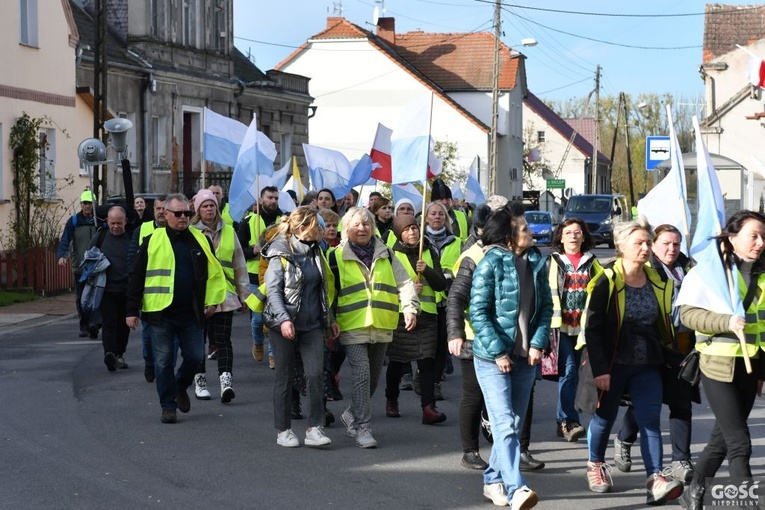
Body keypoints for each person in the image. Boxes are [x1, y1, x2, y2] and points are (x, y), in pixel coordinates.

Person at [581, 218, 683, 505]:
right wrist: (600, 370)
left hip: (648, 362)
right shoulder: (606, 280)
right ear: (621, 246)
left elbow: (664, 319)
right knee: (604, 418)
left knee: (650, 420)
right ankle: (595, 465)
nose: (646, 248)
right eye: (639, 243)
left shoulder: (658, 279)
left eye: (648, 242)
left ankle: (655, 478)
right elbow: (593, 329)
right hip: (613, 362)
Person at [678, 210, 765, 510]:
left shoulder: (762, 273)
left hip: (750, 366)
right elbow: (687, 314)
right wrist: (725, 321)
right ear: (732, 237)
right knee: (740, 442)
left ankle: (694, 488)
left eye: (763, 236)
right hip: (717, 365)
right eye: (753, 235)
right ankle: (747, 503)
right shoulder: (708, 273)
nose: (760, 242)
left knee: (722, 438)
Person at [469, 202, 551, 509]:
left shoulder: (536, 263)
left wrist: (537, 344)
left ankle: (493, 480)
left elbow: (545, 309)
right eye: (524, 229)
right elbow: (478, 312)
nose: (530, 232)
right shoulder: (490, 263)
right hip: (493, 359)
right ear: (508, 237)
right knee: (503, 425)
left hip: (524, 358)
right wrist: (499, 351)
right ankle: (517, 488)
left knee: (513, 426)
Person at [126, 193, 227, 424]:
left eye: (187, 213)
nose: (184, 217)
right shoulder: (152, 240)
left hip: (192, 314)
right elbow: (136, 277)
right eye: (178, 214)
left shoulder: (201, 240)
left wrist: (213, 302)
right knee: (163, 362)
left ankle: (181, 386)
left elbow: (212, 275)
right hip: (160, 315)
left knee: (194, 356)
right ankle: (168, 406)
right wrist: (131, 310)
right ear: (166, 215)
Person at [331, 206, 419, 448]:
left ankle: (352, 412)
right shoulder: (335, 256)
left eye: (367, 224)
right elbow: (328, 292)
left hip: (382, 323)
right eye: (357, 224)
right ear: (346, 228)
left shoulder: (387, 253)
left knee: (372, 379)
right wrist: (330, 319)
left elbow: (404, 282)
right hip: (352, 324)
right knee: (361, 374)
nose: (362, 228)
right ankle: (362, 427)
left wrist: (410, 308)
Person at [615, 224, 697, 483]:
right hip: (655, 346)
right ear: (654, 245)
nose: (672, 249)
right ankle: (624, 438)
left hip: (683, 346)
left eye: (676, 244)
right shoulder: (647, 271)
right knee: (647, 403)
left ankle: (680, 459)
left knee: (681, 401)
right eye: (666, 244)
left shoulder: (691, 270)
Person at [263, 206, 340, 448]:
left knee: (316, 374)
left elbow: (323, 289)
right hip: (282, 325)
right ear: (302, 228)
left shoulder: (317, 251)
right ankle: (283, 430)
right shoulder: (280, 253)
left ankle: (314, 428)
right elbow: (273, 292)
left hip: (313, 325)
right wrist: (284, 319)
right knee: (284, 377)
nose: (324, 230)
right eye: (319, 226)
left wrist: (331, 320)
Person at [384, 214, 448, 424]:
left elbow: (440, 284)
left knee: (427, 361)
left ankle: (428, 408)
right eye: (406, 229)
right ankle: (391, 399)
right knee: (397, 360)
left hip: (428, 315)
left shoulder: (429, 251)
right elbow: (386, 286)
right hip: (402, 316)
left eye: (414, 228)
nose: (412, 232)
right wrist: (411, 287)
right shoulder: (392, 255)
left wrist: (426, 271)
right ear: (399, 234)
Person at [190, 190, 250, 403]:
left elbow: (239, 264)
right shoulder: (191, 233)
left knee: (224, 341)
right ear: (198, 209)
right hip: (200, 296)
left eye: (212, 205)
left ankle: (226, 382)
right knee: (198, 340)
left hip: (225, 294)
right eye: (204, 206)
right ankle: (200, 381)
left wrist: (244, 295)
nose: (209, 209)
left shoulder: (229, 231)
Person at [447, 204, 493, 470]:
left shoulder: (510, 253)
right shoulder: (472, 255)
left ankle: (518, 448)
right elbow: (456, 296)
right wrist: (455, 333)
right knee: (473, 395)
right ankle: (470, 451)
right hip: (473, 337)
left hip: (505, 338)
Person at [548, 219, 601, 442]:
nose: (573, 236)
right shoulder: (553, 262)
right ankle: (568, 421)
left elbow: (603, 288)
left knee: (580, 375)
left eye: (577, 232)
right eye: (568, 232)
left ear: (583, 236)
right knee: (568, 371)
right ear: (561, 237)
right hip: (560, 328)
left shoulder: (593, 263)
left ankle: (566, 420)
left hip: (584, 329)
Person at [237, 186, 282, 367]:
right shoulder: (249, 221)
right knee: (257, 319)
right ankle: (257, 341)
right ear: (261, 200)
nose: (273, 201)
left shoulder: (284, 221)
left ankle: (273, 353)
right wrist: (251, 250)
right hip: (254, 276)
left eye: (276, 198)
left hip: (277, 274)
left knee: (273, 317)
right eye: (269, 197)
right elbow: (238, 250)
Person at [127, 195, 167, 383]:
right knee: (149, 335)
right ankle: (149, 362)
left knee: (171, 338)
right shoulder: (142, 230)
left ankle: (165, 368)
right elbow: (132, 262)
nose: (160, 212)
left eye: (163, 209)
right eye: (157, 208)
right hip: (148, 294)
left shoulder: (179, 232)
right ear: (153, 210)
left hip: (171, 295)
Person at [424, 201, 462, 398]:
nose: (437, 217)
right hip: (426, 301)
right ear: (426, 217)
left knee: (441, 346)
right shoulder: (419, 240)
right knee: (426, 347)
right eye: (433, 214)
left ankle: (435, 382)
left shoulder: (456, 242)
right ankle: (423, 377)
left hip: (447, 300)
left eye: (441, 214)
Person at [57, 189, 104, 338]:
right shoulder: (74, 221)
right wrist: (62, 256)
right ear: (81, 204)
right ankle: (84, 325)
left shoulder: (100, 221)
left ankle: (94, 324)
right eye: (85, 203)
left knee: (99, 295)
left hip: (98, 266)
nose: (87, 206)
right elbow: (65, 240)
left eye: (90, 203)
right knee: (82, 298)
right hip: (80, 267)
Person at [91, 206, 132, 372]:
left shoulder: (132, 237)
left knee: (124, 324)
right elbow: (90, 258)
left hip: (127, 289)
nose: (115, 226)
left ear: (125, 222)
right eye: (112, 223)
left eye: (119, 223)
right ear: (107, 221)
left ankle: (119, 353)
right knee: (109, 323)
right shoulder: (100, 237)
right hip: (106, 289)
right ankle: (110, 353)